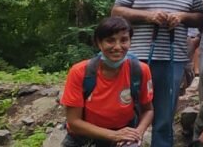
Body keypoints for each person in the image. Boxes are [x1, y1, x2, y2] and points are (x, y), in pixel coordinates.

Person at [111, 0, 203, 147]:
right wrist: (149, 16)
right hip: (136, 58)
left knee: (164, 114)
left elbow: (200, 17)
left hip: (173, 59)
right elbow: (116, 10)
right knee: (129, 110)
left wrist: (181, 17)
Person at [61, 17, 153, 147]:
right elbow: (74, 122)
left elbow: (148, 110)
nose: (117, 47)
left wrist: (137, 132)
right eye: (110, 41)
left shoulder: (140, 71)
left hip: (123, 134)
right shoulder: (80, 72)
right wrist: (114, 135)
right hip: (83, 137)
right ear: (99, 43)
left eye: (124, 40)